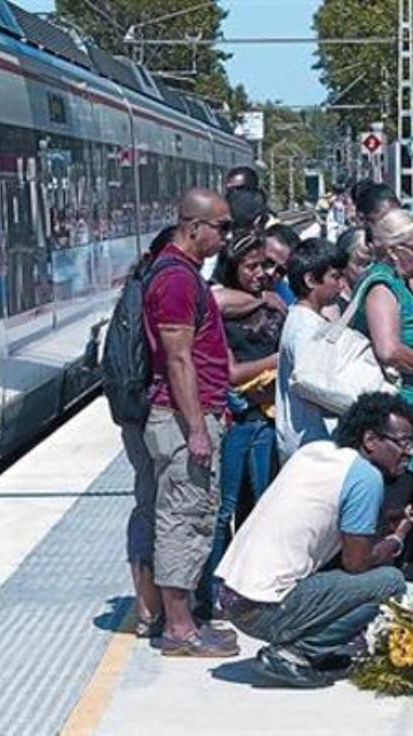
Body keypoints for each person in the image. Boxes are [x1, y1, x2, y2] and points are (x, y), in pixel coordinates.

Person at [217, 392, 413, 687]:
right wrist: (397, 539)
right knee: (390, 581)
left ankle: (311, 649)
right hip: (261, 607)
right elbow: (356, 563)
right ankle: (297, 652)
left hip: (234, 595)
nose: (410, 452)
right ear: (371, 440)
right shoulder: (366, 477)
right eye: (402, 442)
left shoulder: (316, 452)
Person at [143, 187, 238, 657]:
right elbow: (178, 359)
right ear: (193, 226)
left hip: (192, 414)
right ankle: (179, 629)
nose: (226, 237)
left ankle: (184, 620)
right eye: (221, 227)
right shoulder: (177, 280)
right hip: (181, 421)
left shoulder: (181, 274)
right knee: (183, 518)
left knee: (192, 516)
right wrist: (198, 427)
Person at [199, 232, 285, 618]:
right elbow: (232, 372)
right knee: (225, 509)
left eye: (264, 265)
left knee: (264, 506)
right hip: (238, 421)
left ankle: (252, 586)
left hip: (268, 421)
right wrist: (277, 361)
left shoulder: (275, 300)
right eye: (251, 267)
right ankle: (215, 590)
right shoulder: (223, 304)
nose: (261, 274)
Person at [351, 209, 413, 546]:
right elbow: (388, 349)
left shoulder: (400, 284)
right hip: (395, 409)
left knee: (404, 509)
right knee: (393, 511)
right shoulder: (381, 285)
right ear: (393, 250)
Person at [123, 226, 176, 638]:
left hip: (136, 412)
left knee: (149, 503)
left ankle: (147, 607)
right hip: (156, 412)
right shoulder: (164, 290)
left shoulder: (138, 287)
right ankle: (156, 609)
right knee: (159, 507)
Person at [275, 238, 347, 461]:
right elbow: (311, 382)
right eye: (334, 277)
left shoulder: (309, 320)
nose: (341, 285)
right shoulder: (305, 328)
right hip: (309, 445)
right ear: (310, 280)